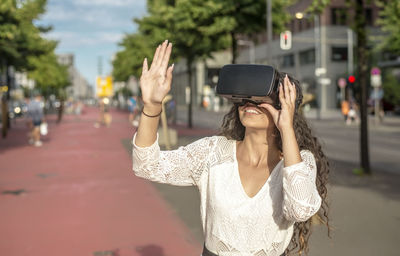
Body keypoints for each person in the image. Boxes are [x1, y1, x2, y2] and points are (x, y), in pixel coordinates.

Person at [132, 41, 330, 256]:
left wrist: (286, 128)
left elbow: (300, 209)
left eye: (260, 99)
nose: (249, 103)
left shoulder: (298, 163)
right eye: (244, 98)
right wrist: (152, 106)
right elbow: (147, 166)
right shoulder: (212, 152)